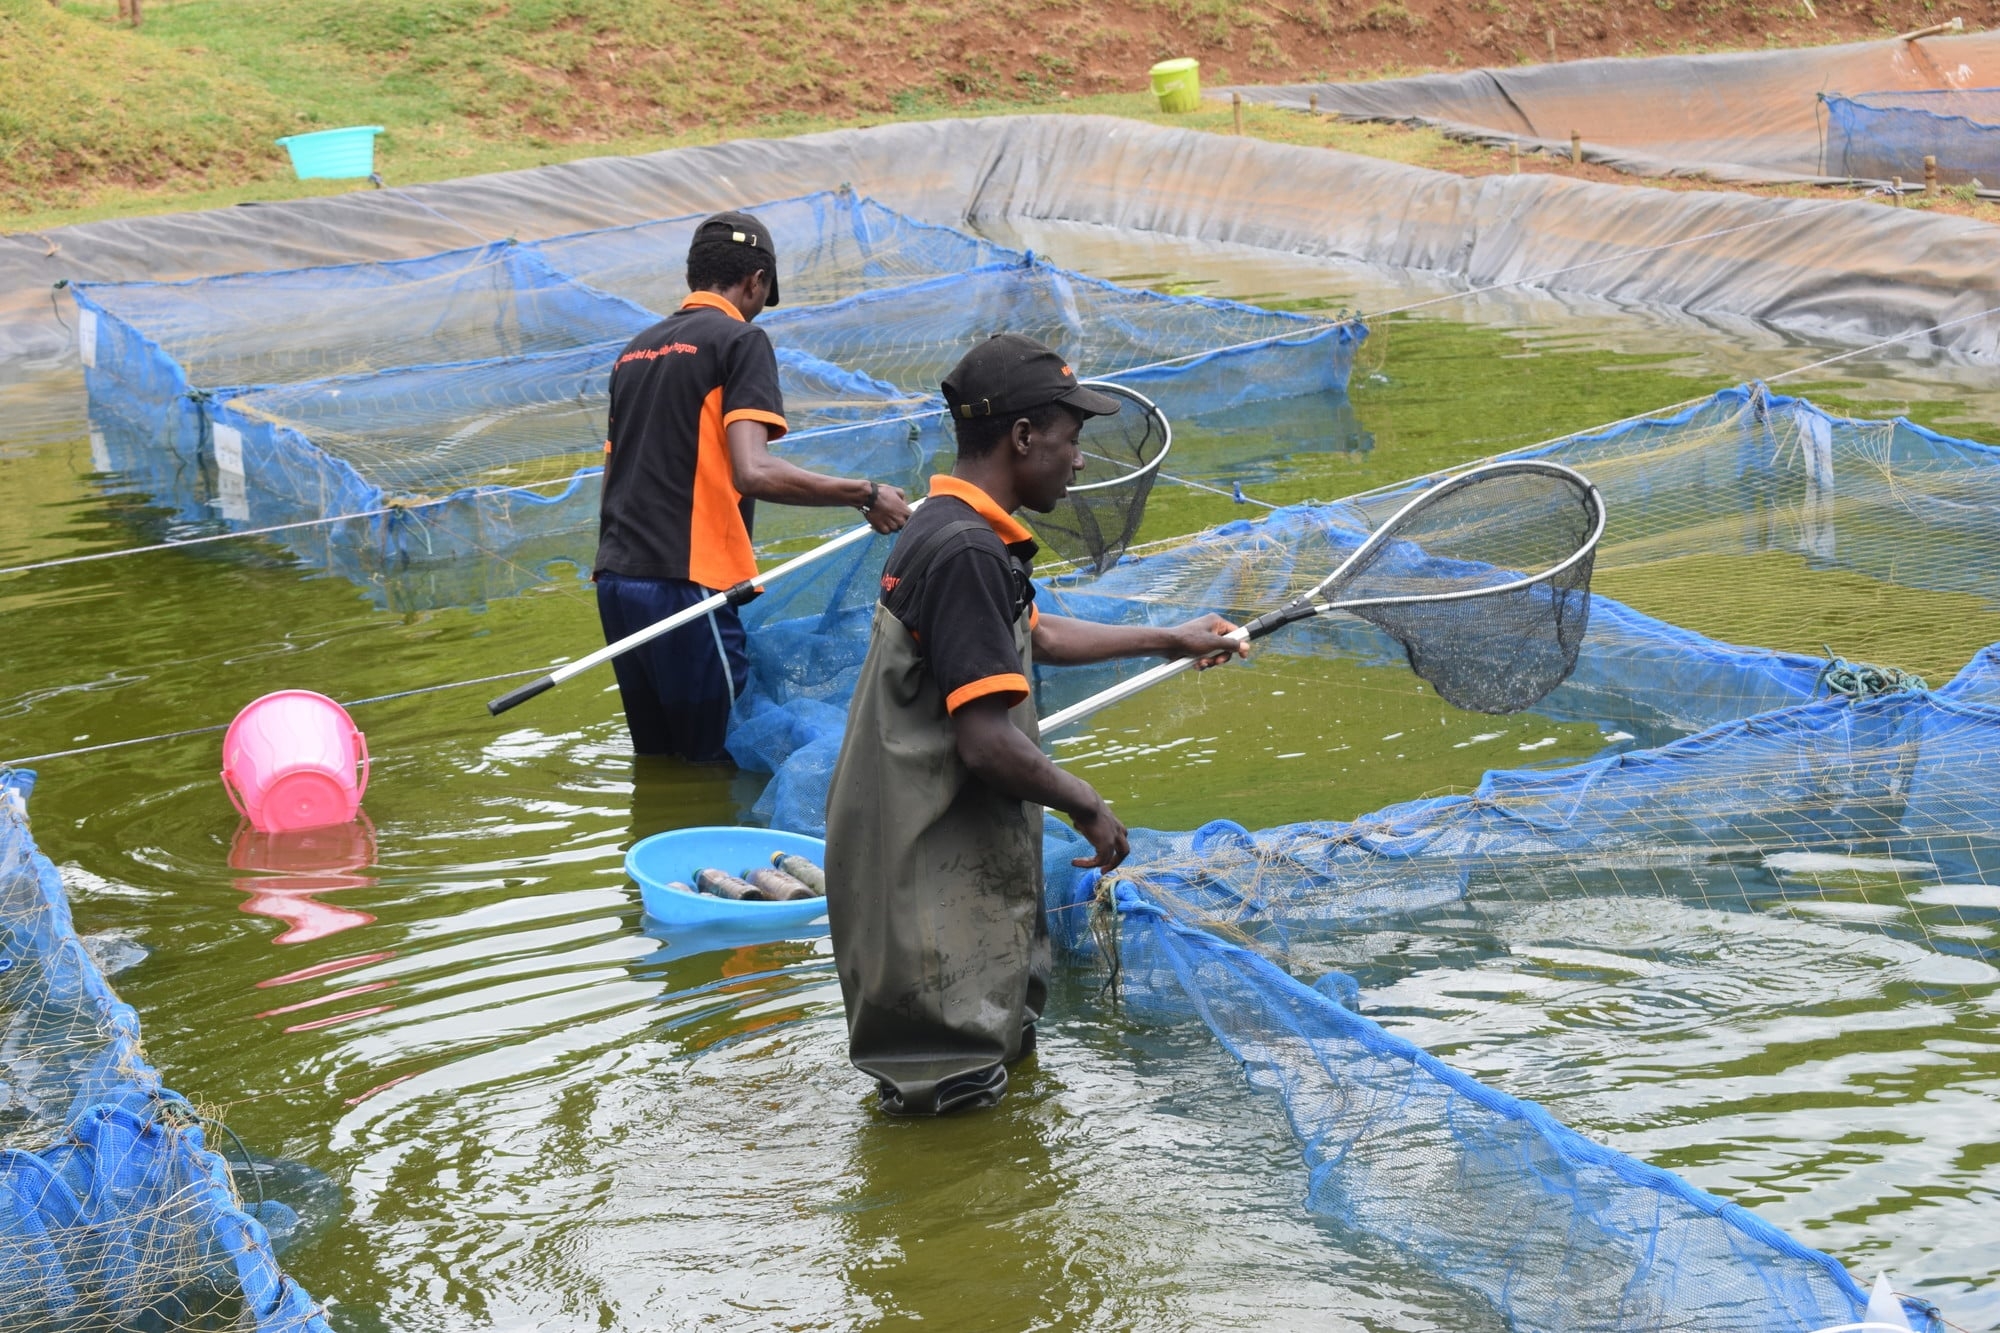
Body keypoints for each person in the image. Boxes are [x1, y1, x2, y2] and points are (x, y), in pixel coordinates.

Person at [823, 333, 1248, 1116]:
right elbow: (986, 742)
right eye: (1070, 439)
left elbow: (1034, 634)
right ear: (1023, 438)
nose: (1078, 460)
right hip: (930, 901)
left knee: (987, 1115)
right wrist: (1086, 804)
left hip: (930, 882)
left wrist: (1171, 636)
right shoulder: (965, 551)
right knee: (949, 1132)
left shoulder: (950, 525)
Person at [594, 210, 911, 762]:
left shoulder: (635, 352)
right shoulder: (739, 342)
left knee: (660, 760)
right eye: (764, 293)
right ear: (755, 281)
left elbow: (611, 475)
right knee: (722, 755)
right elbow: (754, 472)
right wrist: (865, 493)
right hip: (687, 585)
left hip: (616, 582)